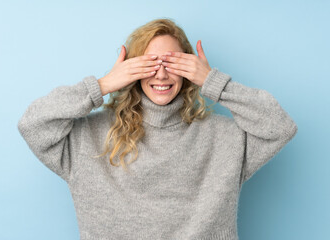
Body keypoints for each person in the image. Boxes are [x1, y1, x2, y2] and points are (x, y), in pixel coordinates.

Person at [18, 18, 298, 240]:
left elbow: (279, 126)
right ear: (132, 69)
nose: (161, 74)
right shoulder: (87, 137)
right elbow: (33, 124)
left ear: (189, 68)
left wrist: (213, 82)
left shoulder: (224, 137)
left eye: (172, 63)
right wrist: (103, 85)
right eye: (150, 64)